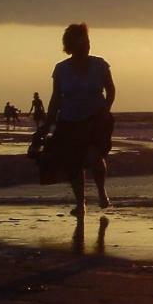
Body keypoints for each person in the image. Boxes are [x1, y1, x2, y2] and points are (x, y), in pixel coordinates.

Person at [45, 23, 115, 217]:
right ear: (71, 44)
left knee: (95, 157)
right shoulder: (61, 69)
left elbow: (111, 89)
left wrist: (106, 110)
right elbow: (56, 97)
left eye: (88, 40)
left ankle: (101, 192)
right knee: (73, 163)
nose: (86, 44)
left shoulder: (100, 64)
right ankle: (80, 203)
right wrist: (47, 124)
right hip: (69, 120)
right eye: (82, 40)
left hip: (97, 119)